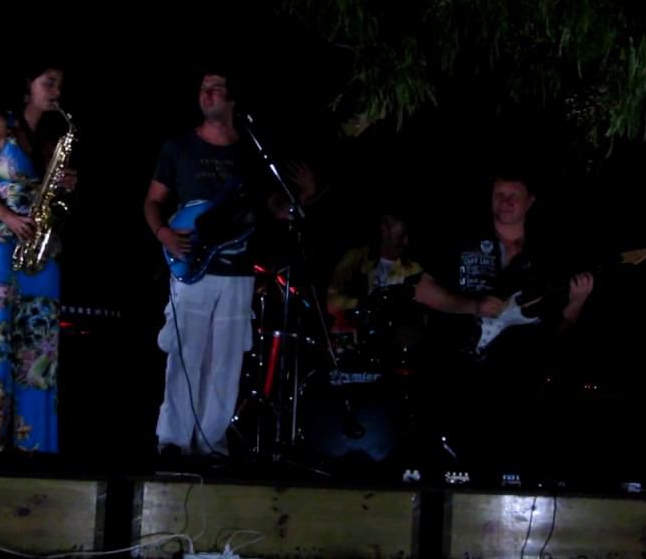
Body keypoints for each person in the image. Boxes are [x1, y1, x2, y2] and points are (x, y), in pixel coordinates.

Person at [143, 69, 314, 458]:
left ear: (233, 99)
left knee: (225, 360)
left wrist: (301, 196)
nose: (207, 95)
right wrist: (163, 233)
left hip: (237, 271)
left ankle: (212, 443)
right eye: (203, 88)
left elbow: (271, 208)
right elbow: (152, 200)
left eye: (216, 89)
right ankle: (172, 441)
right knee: (185, 356)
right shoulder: (179, 146)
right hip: (190, 267)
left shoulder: (251, 152)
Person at [412, 169, 594, 471]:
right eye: (499, 195)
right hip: (455, 371)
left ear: (530, 202)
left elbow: (559, 334)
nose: (505, 202)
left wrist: (575, 304)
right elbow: (422, 291)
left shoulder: (549, 257)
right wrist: (473, 305)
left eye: (514, 196)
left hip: (514, 385)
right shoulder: (462, 241)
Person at [0, 64, 77, 454]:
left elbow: (49, 197)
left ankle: (34, 446)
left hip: (40, 245)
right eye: (49, 83)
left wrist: (65, 184)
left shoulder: (49, 138)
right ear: (27, 84)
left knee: (39, 347)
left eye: (60, 85)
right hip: (0, 239)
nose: (57, 91)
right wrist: (7, 215)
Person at [325, 209, 424, 366]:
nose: (406, 242)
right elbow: (332, 300)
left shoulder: (415, 269)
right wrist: (363, 306)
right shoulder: (356, 259)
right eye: (401, 236)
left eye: (408, 235)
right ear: (384, 229)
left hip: (394, 346)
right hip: (355, 340)